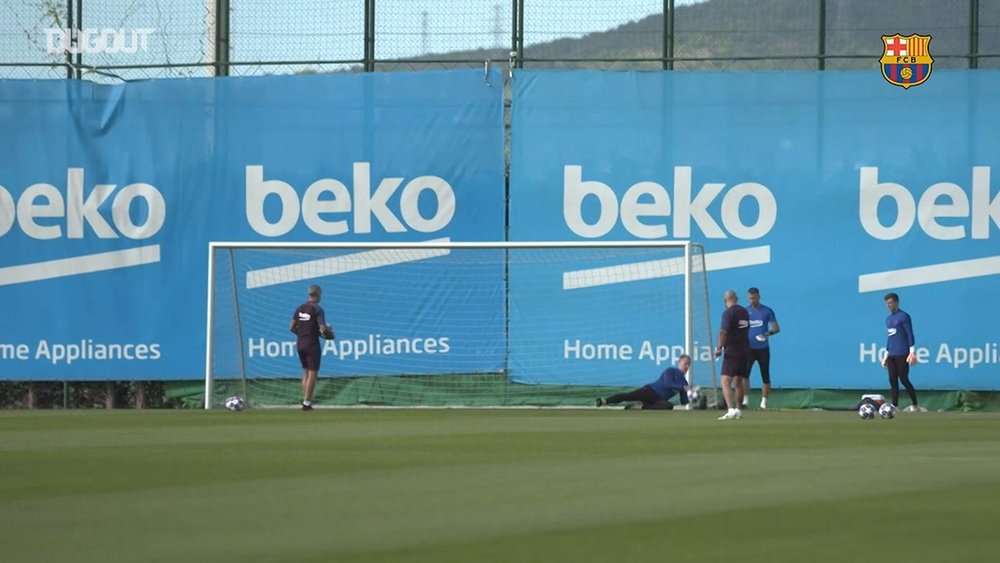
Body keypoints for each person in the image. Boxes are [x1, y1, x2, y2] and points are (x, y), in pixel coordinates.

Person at [289, 284, 334, 411]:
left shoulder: (299, 308)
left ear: (309, 294)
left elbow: (291, 327)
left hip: (300, 342)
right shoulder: (317, 309)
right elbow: (323, 328)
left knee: (305, 372)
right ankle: (307, 403)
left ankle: (306, 401)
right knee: (313, 372)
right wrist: (329, 335)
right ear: (319, 294)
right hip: (312, 344)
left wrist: (302, 333)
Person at [596, 355, 692, 410]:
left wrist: (693, 398)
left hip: (658, 400)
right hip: (650, 391)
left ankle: (640, 406)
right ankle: (604, 401)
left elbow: (683, 401)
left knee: (668, 406)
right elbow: (668, 384)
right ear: (679, 363)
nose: (687, 367)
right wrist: (683, 388)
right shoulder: (670, 371)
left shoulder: (684, 383)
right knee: (629, 396)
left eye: (688, 364)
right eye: (685, 364)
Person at [882, 292, 923, 412]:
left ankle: (915, 404)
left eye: (890, 303)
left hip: (902, 353)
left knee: (904, 379)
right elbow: (890, 338)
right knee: (892, 379)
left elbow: (910, 334)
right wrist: (886, 355)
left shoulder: (904, 316)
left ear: (896, 302)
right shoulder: (888, 319)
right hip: (892, 354)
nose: (889, 305)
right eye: (887, 303)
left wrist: (912, 352)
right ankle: (894, 405)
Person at [743, 287, 780, 410]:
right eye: (750, 298)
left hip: (763, 348)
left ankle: (764, 402)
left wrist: (766, 334)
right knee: (745, 374)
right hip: (749, 348)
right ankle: (745, 400)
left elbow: (776, 328)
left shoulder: (767, 311)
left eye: (754, 298)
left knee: (765, 374)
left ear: (759, 296)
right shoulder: (745, 311)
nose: (752, 300)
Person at [716, 289, 749, 420]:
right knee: (738, 381)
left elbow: (723, 331)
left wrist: (719, 348)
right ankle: (738, 409)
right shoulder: (744, 312)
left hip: (733, 350)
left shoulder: (728, 313)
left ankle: (730, 409)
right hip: (745, 350)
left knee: (725, 380)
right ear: (737, 299)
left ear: (725, 301)